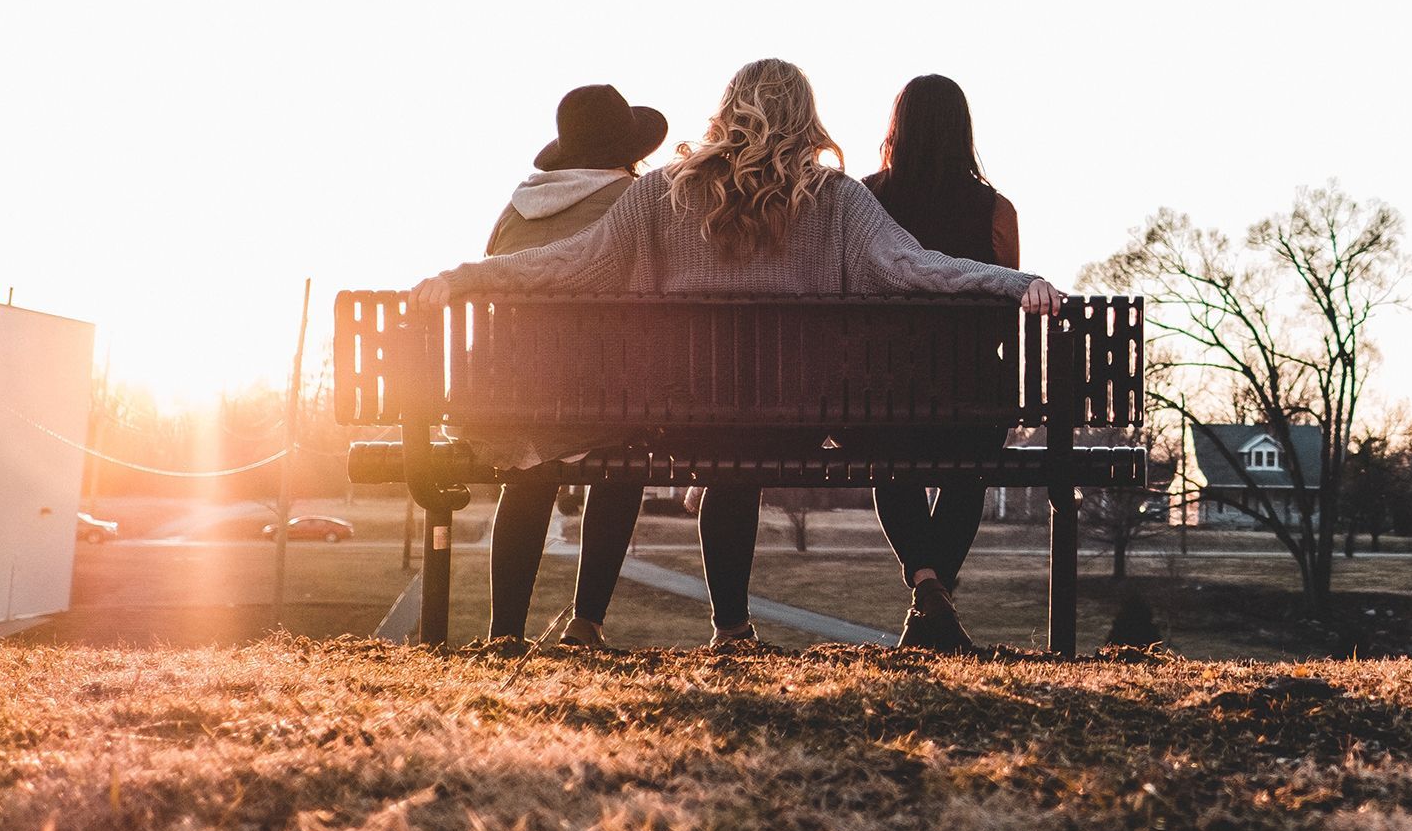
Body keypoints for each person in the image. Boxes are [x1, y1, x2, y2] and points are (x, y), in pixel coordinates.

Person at [410, 58, 1064, 648]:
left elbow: (568, 264)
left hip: (688, 425)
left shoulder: (661, 194)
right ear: (807, 118)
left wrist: (469, 277)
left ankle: (730, 629)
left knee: (726, 455)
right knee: (759, 442)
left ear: (727, 113)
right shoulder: (837, 199)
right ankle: (746, 625)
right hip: (797, 428)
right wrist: (1014, 283)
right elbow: (919, 269)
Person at [479, 84, 665, 649]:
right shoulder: (636, 202)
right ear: (625, 149)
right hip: (601, 401)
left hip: (514, 403)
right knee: (627, 456)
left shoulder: (515, 209)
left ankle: (505, 630)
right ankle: (586, 622)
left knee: (531, 467)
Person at [860, 74, 1020, 651]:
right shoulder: (995, 209)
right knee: (968, 472)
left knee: (887, 461)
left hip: (884, 393)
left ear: (897, 129)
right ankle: (933, 596)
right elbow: (1005, 311)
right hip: (972, 396)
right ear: (963, 130)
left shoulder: (866, 199)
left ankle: (926, 587)